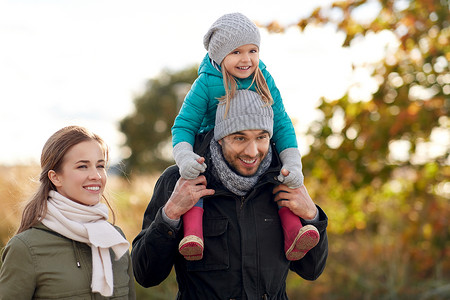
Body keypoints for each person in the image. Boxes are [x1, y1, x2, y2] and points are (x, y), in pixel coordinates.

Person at [132, 90, 328, 299]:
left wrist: (311, 216)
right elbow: (145, 275)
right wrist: (170, 214)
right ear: (219, 138)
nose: (252, 151)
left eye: (261, 137)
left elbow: (311, 270)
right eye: (239, 138)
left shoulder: (284, 180)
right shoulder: (179, 180)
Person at [171, 12, 318, 261]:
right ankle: (193, 234)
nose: (246, 59)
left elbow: (281, 123)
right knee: (198, 182)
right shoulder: (206, 83)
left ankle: (294, 232)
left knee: (279, 178)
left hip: (258, 144)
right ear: (219, 55)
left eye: (252, 50)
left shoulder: (263, 78)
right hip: (212, 146)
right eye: (236, 52)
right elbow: (184, 125)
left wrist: (293, 162)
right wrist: (185, 156)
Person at [0, 125, 136, 299]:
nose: (96, 175)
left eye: (100, 166)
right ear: (55, 177)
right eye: (82, 166)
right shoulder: (26, 248)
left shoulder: (115, 239)